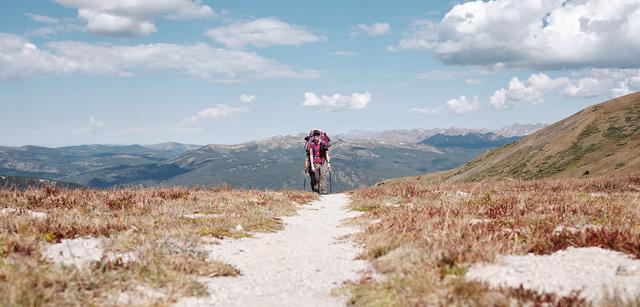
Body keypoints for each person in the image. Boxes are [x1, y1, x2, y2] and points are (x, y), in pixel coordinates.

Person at [306, 129, 331, 194]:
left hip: (323, 161)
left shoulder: (324, 143)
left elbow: (326, 154)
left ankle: (323, 191)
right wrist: (312, 165)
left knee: (323, 175)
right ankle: (316, 191)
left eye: (317, 135)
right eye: (315, 135)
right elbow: (311, 154)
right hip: (315, 162)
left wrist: (328, 163)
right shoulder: (312, 144)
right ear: (313, 136)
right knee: (315, 177)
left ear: (320, 136)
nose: (316, 136)